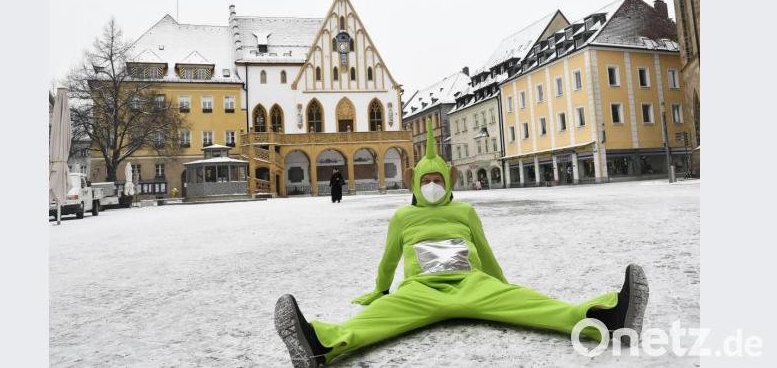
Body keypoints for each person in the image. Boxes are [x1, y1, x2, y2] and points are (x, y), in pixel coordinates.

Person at [275, 118, 649, 367]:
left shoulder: (465, 212)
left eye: (438, 179)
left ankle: (610, 317)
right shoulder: (403, 217)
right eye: (426, 181)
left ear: (449, 181)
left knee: (542, 307)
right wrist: (379, 292)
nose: (433, 186)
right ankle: (320, 343)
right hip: (421, 290)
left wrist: (503, 288)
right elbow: (388, 261)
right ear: (415, 182)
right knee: (375, 321)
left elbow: (486, 254)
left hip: (473, 284)